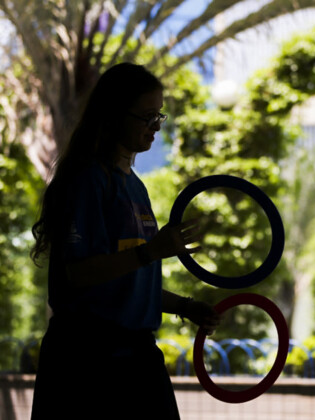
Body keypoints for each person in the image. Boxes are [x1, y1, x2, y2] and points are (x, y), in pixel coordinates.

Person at [30, 63, 220, 419]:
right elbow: (79, 274)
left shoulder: (135, 186)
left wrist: (185, 307)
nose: (155, 127)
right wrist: (152, 251)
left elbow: (128, 281)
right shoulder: (87, 180)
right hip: (85, 361)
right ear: (115, 115)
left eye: (159, 116)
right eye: (147, 116)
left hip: (137, 357)